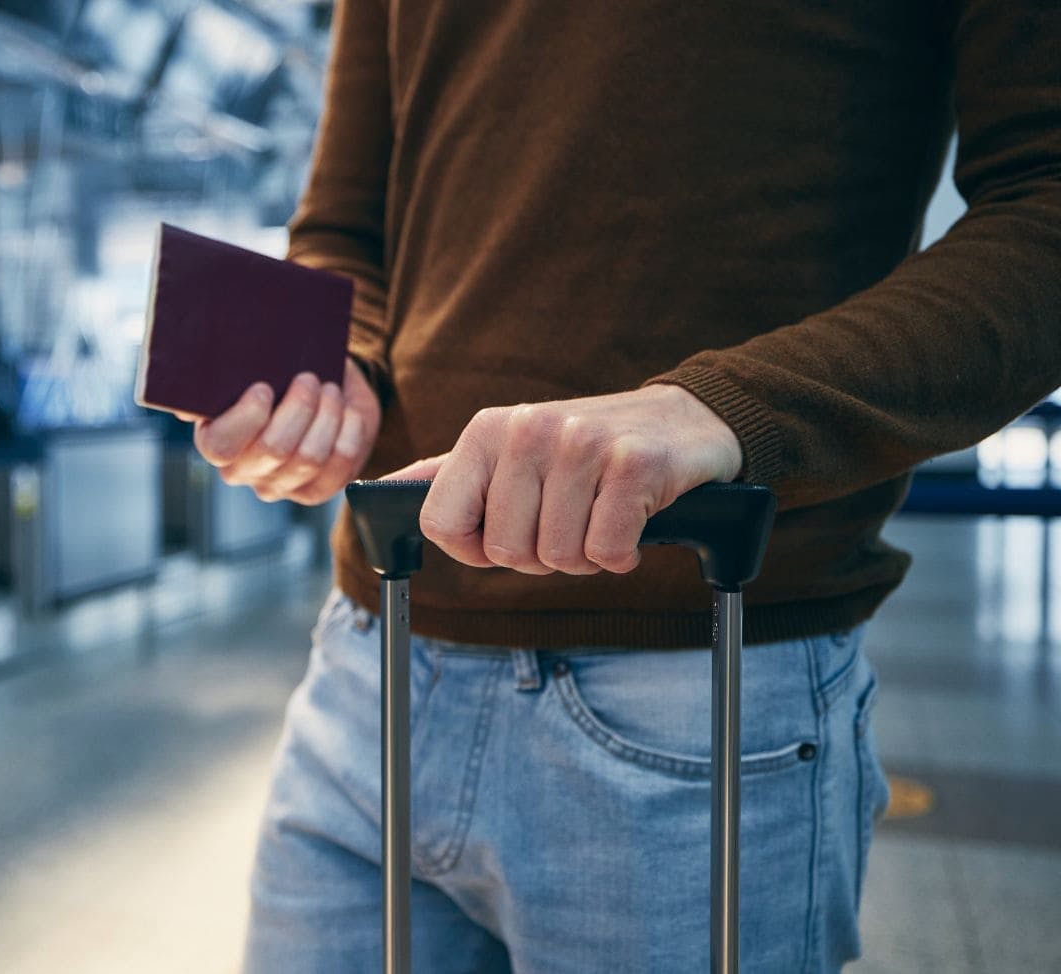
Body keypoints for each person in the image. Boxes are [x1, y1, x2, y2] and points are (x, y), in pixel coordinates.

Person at [192, 1, 1061, 970]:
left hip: (698, 670)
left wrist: (721, 407)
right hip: (373, 651)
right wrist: (330, 367)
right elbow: (345, 227)